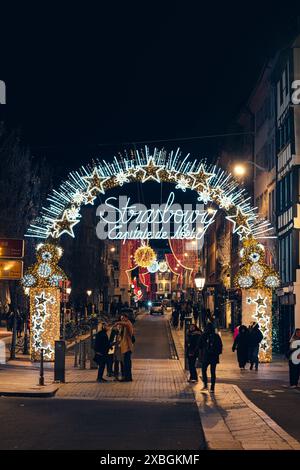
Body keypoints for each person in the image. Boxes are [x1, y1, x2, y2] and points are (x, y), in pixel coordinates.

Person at [200, 323, 223, 393]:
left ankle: (205, 385)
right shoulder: (216, 336)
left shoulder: (204, 335)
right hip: (213, 356)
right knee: (213, 372)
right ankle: (212, 388)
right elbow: (220, 346)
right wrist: (217, 353)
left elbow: (199, 345)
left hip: (206, 356)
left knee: (204, 370)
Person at [114, 313, 134, 382]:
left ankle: (128, 377)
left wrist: (117, 323)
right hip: (124, 347)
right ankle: (127, 377)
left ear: (126, 318)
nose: (122, 320)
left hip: (127, 347)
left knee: (127, 363)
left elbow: (125, 324)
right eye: (121, 319)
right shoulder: (124, 326)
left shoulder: (128, 324)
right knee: (125, 363)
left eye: (123, 318)